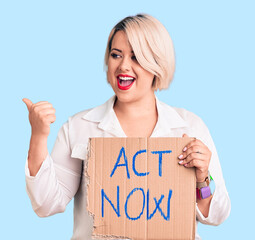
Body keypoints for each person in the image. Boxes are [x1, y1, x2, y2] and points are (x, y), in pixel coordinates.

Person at [23, 14, 230, 240]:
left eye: (136, 57)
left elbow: (217, 215)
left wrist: (202, 179)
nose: (123, 66)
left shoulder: (190, 127)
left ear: (157, 64)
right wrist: (39, 136)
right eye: (116, 55)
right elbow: (46, 204)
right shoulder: (79, 127)